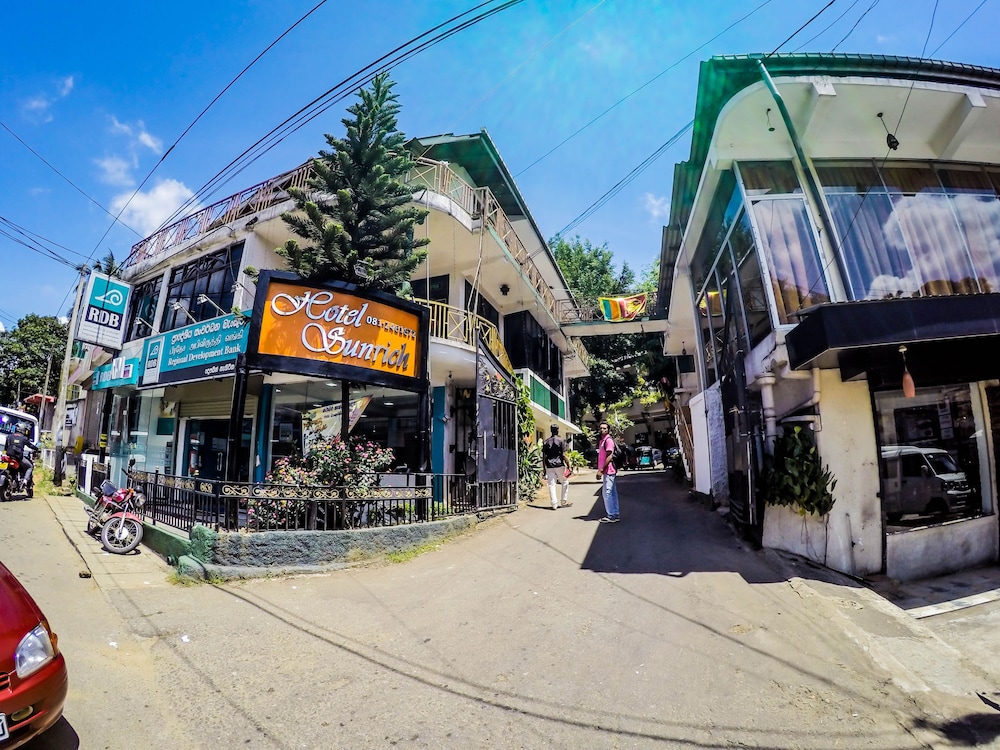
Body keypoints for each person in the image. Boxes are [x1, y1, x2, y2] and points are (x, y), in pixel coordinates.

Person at [541, 425, 572, 510]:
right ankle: (563, 501)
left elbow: (544, 457)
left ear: (551, 430)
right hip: (559, 465)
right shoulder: (561, 441)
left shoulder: (546, 442)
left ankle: (554, 504)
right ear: (558, 430)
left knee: (551, 484)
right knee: (565, 482)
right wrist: (568, 465)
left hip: (549, 466)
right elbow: (563, 455)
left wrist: (544, 468)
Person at [5, 422, 38, 497]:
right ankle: (25, 481)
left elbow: (6, 448)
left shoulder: (9, 436)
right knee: (30, 467)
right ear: (23, 430)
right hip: (18, 458)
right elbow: (30, 445)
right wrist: (37, 448)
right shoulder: (24, 438)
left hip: (9, 457)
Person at [595, 421, 619, 523]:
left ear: (608, 430)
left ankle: (611, 515)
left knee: (607, 493)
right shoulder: (602, 441)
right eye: (601, 428)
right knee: (612, 493)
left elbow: (609, 456)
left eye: (604, 428)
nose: (602, 430)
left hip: (609, 470)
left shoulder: (608, 441)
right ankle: (615, 514)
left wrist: (601, 470)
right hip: (607, 471)